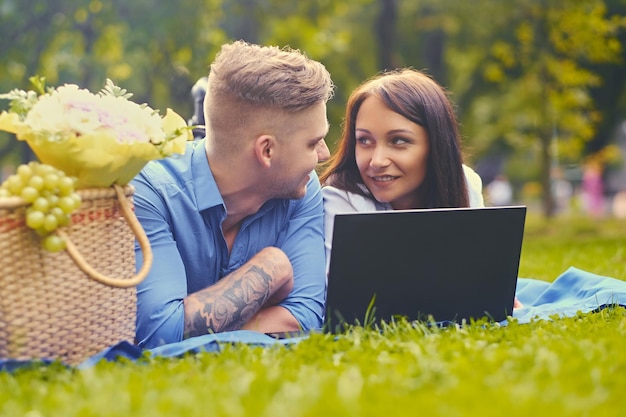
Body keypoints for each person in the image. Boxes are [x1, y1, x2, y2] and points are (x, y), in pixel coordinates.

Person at [131, 40, 334, 348]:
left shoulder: (301, 189)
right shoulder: (151, 190)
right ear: (266, 150)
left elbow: (305, 319)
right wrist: (271, 266)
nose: (324, 154)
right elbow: (159, 334)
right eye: (313, 142)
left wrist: (193, 327)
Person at [320, 68, 522, 309]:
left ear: (435, 145)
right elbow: (344, 296)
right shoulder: (340, 198)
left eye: (398, 141)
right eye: (364, 140)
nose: (376, 161)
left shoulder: (465, 182)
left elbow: (477, 278)